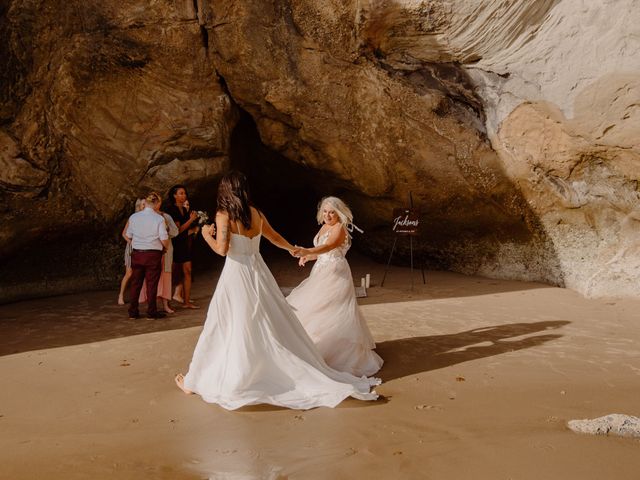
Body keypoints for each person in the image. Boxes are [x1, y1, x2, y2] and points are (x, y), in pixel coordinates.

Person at [175, 171, 380, 410]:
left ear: (225, 190)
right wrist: (293, 249)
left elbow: (222, 250)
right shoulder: (256, 213)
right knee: (264, 320)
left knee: (225, 322)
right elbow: (274, 238)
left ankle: (202, 380)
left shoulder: (223, 215)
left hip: (236, 273)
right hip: (258, 271)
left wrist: (206, 236)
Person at [289, 196, 383, 377]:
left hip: (336, 274)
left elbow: (330, 246)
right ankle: (317, 346)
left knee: (333, 310)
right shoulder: (324, 226)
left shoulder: (340, 228)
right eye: (325, 211)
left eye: (332, 212)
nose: (328, 215)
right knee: (318, 308)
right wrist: (308, 257)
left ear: (338, 213)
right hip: (321, 271)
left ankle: (338, 354)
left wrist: (307, 250)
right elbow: (323, 252)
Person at [125, 192, 170, 319]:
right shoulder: (159, 219)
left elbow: (128, 235)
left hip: (137, 253)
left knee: (135, 283)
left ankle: (133, 312)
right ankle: (151, 312)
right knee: (152, 284)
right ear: (156, 203)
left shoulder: (134, 217)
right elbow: (164, 238)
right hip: (152, 254)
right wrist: (165, 247)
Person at [139, 206, 179, 313]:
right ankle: (152, 306)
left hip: (166, 250)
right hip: (152, 249)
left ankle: (166, 304)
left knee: (165, 276)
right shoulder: (143, 217)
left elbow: (175, 232)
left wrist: (166, 229)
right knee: (151, 277)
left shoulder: (166, 216)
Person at [166, 185, 199, 309]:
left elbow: (186, 230)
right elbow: (178, 230)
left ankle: (186, 302)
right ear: (174, 195)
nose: (184, 195)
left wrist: (195, 228)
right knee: (173, 274)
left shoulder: (185, 210)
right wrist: (191, 220)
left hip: (184, 244)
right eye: (180, 193)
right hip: (174, 245)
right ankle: (167, 303)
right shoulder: (171, 210)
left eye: (184, 193)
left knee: (188, 271)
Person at [117, 198, 145, 305]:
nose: (144, 206)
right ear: (138, 206)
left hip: (143, 247)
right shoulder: (133, 218)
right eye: (143, 204)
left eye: (145, 204)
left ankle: (140, 296)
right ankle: (121, 295)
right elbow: (124, 234)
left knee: (141, 273)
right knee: (129, 273)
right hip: (131, 247)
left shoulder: (148, 218)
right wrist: (133, 242)